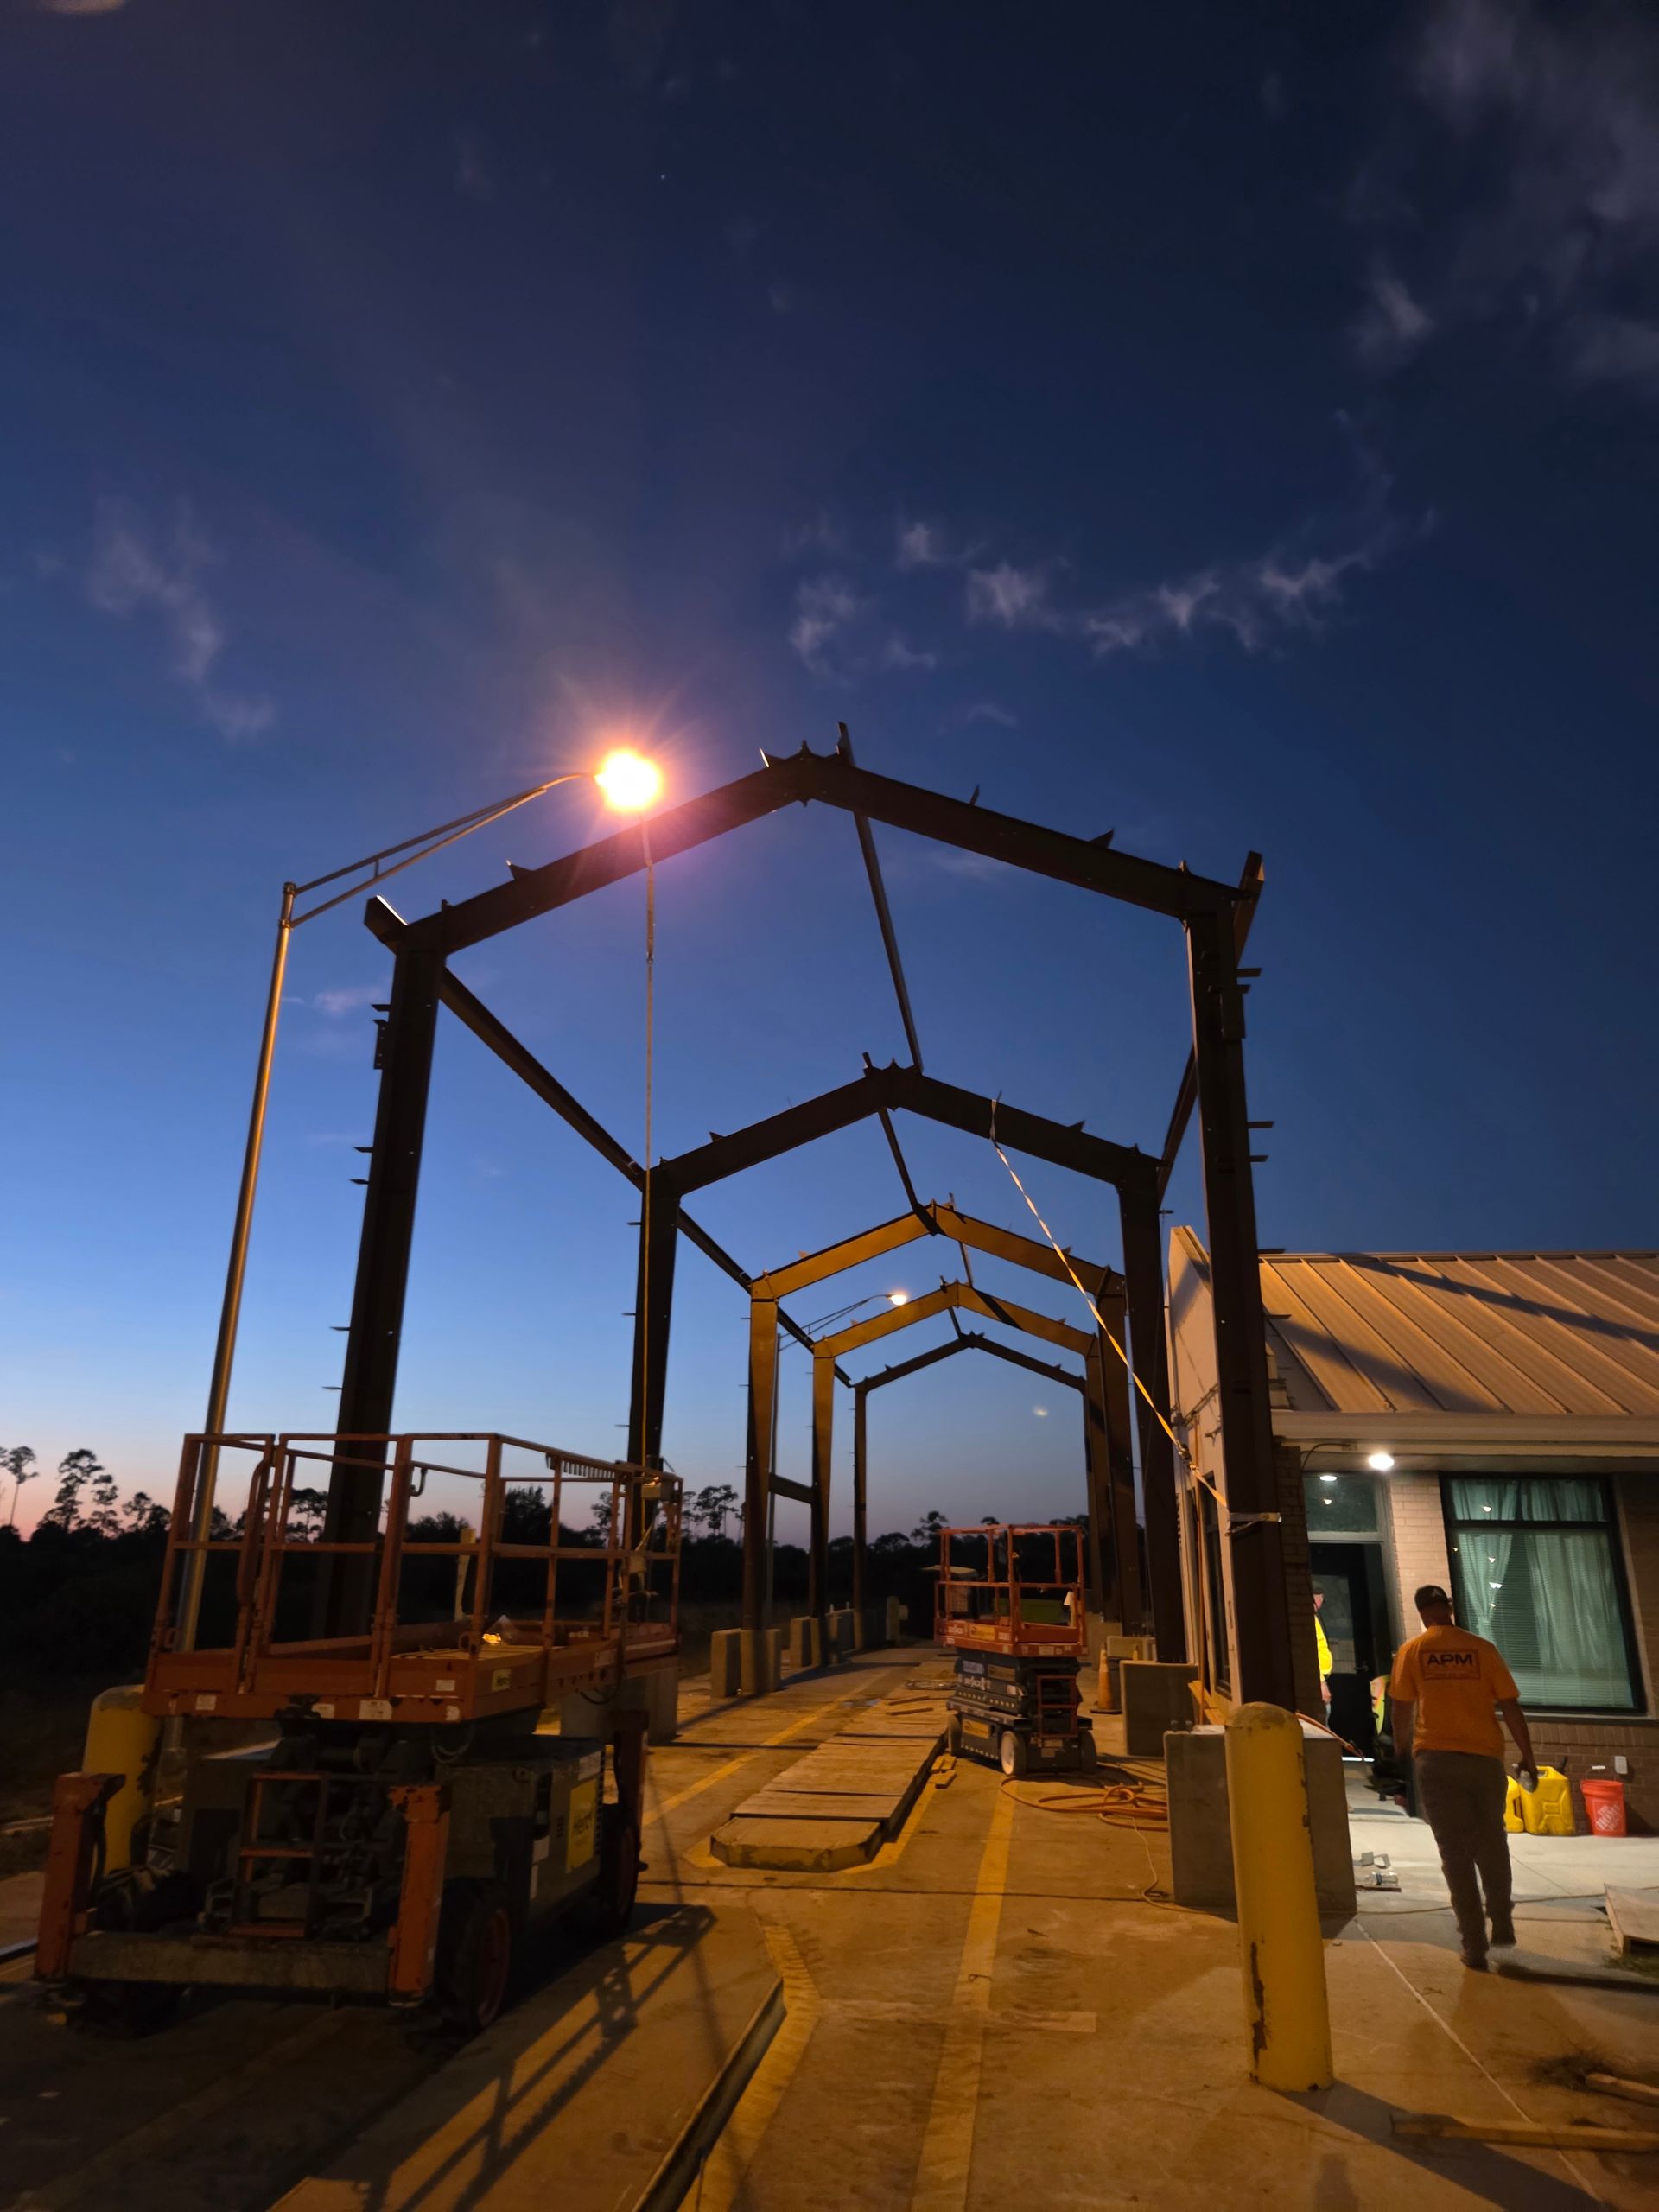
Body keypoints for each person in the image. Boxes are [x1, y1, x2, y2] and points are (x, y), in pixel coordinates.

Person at [1389, 1582, 1537, 1971]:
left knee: (1454, 1853)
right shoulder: (1482, 1650)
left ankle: (1474, 1946)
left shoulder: (1413, 1652)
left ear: (1422, 1612)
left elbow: (1402, 1711)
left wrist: (1400, 1753)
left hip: (1436, 1760)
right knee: (1491, 1840)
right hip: (1484, 1760)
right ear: (1448, 1608)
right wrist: (1528, 1756)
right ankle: (1502, 1921)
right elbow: (1510, 1706)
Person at [1313, 1588, 1333, 1719]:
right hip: (1316, 1682)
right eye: (1320, 1600)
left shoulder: (1312, 1619)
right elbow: (1309, 1653)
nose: (1320, 1604)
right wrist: (1320, 1683)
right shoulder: (1308, 1621)